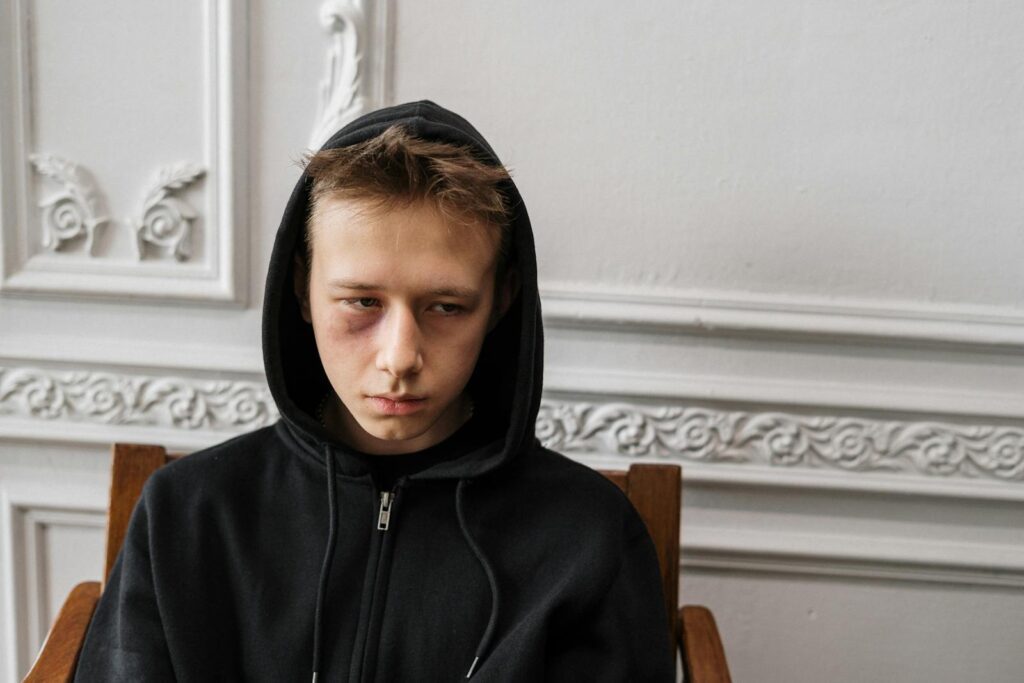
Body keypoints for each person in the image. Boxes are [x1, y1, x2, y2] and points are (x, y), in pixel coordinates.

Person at [75, 101, 675, 681]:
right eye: (362, 302)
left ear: (501, 301)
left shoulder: (588, 538)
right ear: (302, 289)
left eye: (446, 306)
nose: (400, 357)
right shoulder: (187, 514)